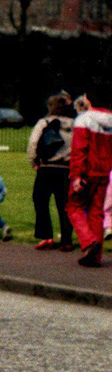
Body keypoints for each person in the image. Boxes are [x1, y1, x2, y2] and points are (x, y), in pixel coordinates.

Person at [67, 86, 112, 267]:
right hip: (103, 172)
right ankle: (95, 255)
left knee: (74, 207)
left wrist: (76, 175)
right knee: (96, 212)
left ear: (89, 99)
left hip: (86, 171)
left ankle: (88, 242)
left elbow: (79, 149)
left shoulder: (84, 119)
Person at [27, 95, 76, 251]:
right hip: (66, 169)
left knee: (41, 201)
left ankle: (46, 236)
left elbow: (33, 143)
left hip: (47, 167)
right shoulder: (74, 124)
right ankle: (66, 240)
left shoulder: (44, 123)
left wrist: (34, 162)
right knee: (65, 205)